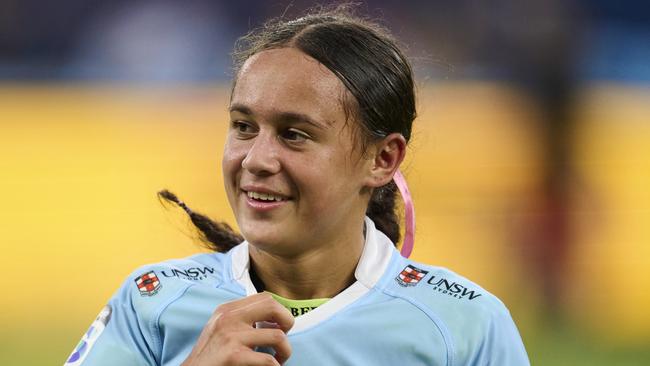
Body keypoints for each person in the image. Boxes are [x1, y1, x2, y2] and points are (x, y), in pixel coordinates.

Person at [65, 5, 529, 366]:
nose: (257, 159)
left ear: (383, 159)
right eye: (243, 126)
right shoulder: (151, 302)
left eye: (294, 134)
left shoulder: (465, 325)